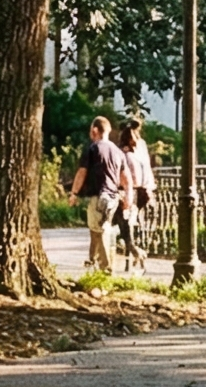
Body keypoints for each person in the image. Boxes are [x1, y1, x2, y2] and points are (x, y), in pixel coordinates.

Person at [65, 116, 127, 273]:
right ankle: (92, 260)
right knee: (97, 228)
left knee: (100, 230)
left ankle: (105, 269)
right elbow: (125, 178)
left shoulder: (92, 149)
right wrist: (127, 197)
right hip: (113, 197)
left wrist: (74, 193)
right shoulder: (118, 151)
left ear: (95, 130)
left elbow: (81, 172)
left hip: (99, 196)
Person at [111, 118, 157, 273]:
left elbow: (129, 178)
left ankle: (137, 254)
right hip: (140, 193)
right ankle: (132, 255)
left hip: (126, 193)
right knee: (127, 229)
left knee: (122, 229)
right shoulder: (140, 150)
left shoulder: (125, 155)